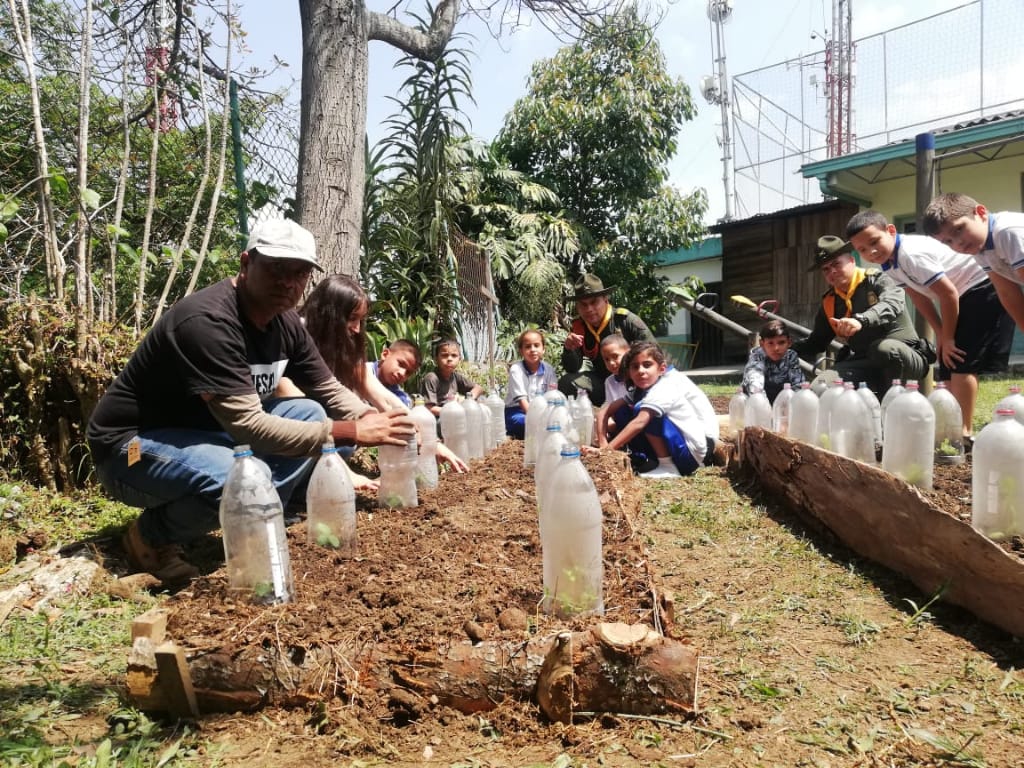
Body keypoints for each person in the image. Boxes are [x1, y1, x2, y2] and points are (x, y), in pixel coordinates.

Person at [87, 219, 415, 584]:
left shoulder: (286, 323)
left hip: (205, 434)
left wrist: (376, 419)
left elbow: (328, 391)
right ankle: (149, 538)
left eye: (300, 273)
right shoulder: (208, 321)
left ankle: (260, 512)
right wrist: (352, 430)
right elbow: (248, 426)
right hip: (132, 448)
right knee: (234, 481)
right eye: (276, 269)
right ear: (246, 264)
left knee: (309, 411)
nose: (288, 283)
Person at [846, 210, 1014, 436]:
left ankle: (963, 432)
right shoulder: (888, 263)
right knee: (947, 367)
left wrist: (949, 336)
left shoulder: (910, 254)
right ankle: (950, 428)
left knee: (961, 362)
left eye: (874, 242)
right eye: (862, 250)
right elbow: (918, 296)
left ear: (891, 231)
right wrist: (941, 333)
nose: (871, 252)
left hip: (980, 287)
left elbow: (948, 295)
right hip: (959, 294)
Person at [297, 275, 467, 473]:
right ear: (329, 313)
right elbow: (292, 400)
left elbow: (384, 399)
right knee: (315, 412)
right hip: (294, 430)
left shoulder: (342, 349)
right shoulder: (298, 332)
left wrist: (430, 442)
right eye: (352, 318)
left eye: (361, 320)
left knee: (348, 435)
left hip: (321, 433)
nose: (357, 328)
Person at [791, 234, 930, 397]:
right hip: (864, 362)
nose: (832, 271)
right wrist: (783, 349)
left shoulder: (878, 280)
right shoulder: (830, 302)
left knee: (883, 349)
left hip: (904, 358)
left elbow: (893, 303)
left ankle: (892, 409)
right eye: (826, 269)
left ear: (852, 260)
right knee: (820, 389)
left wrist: (861, 320)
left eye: (836, 263)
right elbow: (816, 343)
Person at [596, 341, 719, 479]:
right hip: (678, 446)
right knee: (622, 410)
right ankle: (646, 460)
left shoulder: (664, 387)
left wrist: (606, 452)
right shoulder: (640, 389)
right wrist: (602, 442)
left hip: (690, 457)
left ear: (662, 369)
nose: (641, 371)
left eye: (647, 365)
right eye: (635, 367)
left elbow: (640, 422)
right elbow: (605, 411)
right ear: (629, 372)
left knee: (641, 410)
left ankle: (667, 466)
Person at [922, 192, 1024, 333]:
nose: (958, 243)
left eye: (959, 229)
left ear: (980, 213)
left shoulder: (1006, 232)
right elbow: (1007, 292)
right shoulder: (979, 248)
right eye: (948, 241)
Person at [559, 273, 654, 407]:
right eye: (583, 305)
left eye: (594, 302)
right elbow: (572, 368)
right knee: (567, 381)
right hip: (603, 384)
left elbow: (654, 355)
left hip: (633, 381)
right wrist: (569, 349)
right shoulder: (579, 327)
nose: (589, 309)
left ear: (605, 299)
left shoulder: (626, 321)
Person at [504, 329, 558, 439]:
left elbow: (552, 397)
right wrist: (539, 420)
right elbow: (522, 401)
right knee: (523, 423)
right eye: (528, 347)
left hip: (542, 411)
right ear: (521, 351)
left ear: (543, 349)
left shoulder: (549, 370)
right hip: (518, 411)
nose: (533, 350)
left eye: (536, 345)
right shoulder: (516, 369)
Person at [742, 320, 806, 403]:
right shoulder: (757, 357)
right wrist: (767, 410)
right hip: (756, 406)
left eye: (781, 342)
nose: (776, 348)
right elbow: (755, 387)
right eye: (770, 343)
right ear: (762, 344)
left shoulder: (791, 357)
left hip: (782, 405)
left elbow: (798, 385)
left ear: (789, 343)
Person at [421, 339, 484, 416]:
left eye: (454, 355)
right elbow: (429, 409)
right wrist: (454, 411)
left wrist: (468, 400)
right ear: (436, 359)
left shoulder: (455, 376)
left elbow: (479, 388)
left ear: (459, 359)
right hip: (439, 419)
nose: (449, 359)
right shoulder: (431, 378)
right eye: (444, 355)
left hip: (455, 416)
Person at [594, 334, 631, 443]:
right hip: (622, 422)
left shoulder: (637, 378)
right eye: (606, 359)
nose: (611, 363)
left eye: (615, 356)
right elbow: (608, 408)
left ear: (628, 353)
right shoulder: (609, 381)